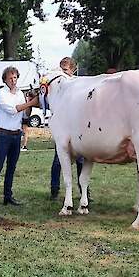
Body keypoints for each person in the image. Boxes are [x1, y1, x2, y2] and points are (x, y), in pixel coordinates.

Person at [0, 66, 40, 209]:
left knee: (11, 167)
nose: (13, 80)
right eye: (10, 78)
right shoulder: (1, 94)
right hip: (3, 134)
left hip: (16, 134)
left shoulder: (20, 93)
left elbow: (25, 113)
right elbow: (12, 110)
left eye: (15, 77)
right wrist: (31, 102)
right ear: (5, 79)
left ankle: (7, 196)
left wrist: (30, 102)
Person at [50, 58, 85, 200]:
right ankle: (54, 190)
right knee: (58, 160)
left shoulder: (80, 85)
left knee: (82, 162)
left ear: (73, 70)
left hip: (79, 131)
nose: (62, 74)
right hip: (63, 130)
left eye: (65, 70)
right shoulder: (57, 87)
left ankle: (84, 191)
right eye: (61, 70)